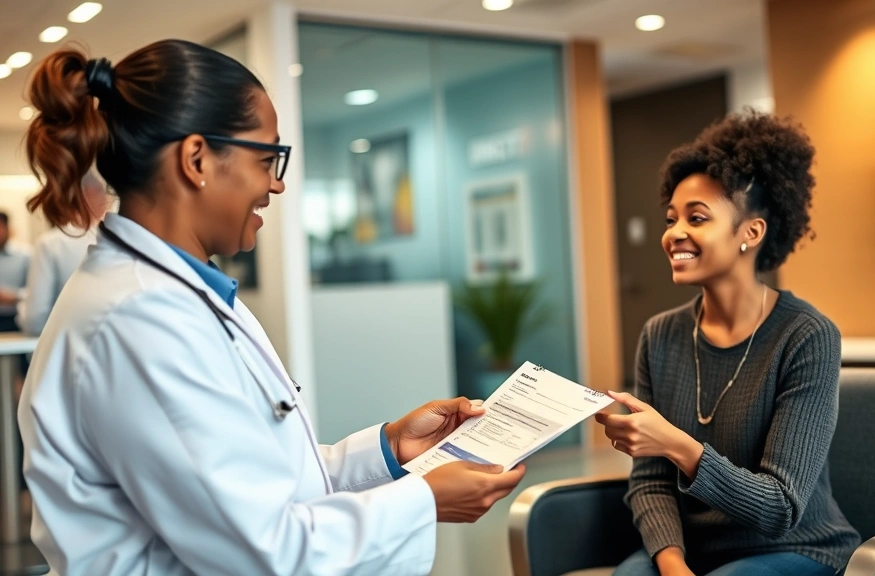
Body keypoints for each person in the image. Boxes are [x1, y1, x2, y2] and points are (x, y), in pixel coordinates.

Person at [17, 40, 525, 576]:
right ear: (196, 160)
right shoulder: (138, 320)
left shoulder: (179, 295)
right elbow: (261, 552)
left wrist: (388, 449)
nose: (277, 184)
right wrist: (425, 500)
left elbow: (260, 483)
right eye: (268, 158)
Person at [596, 112, 860, 576]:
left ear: (751, 233)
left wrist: (679, 445)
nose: (674, 233)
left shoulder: (807, 337)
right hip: (694, 551)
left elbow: (779, 508)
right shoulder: (660, 334)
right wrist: (673, 564)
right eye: (671, 218)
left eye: (696, 218)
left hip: (794, 549)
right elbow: (650, 484)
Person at [17, 172, 112, 336]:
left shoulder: (51, 243)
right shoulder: (118, 242)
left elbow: (35, 321)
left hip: (64, 349)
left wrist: (22, 309)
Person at [0, 212, 30, 333]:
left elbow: (37, 292)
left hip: (16, 319)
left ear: (7, 228)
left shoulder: (25, 256)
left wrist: (14, 296)